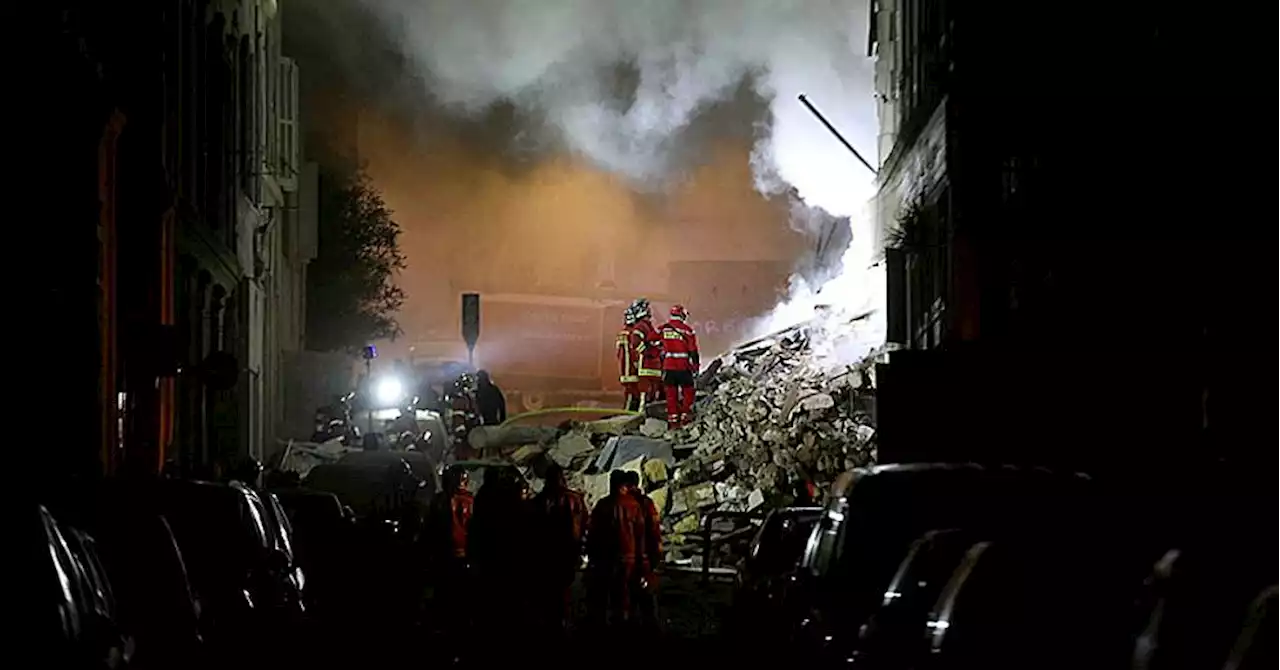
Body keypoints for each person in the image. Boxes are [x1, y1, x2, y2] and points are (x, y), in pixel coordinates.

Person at [530, 463, 590, 633]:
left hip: (547, 553)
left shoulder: (539, 501)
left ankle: (553, 624)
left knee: (549, 590)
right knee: (564, 589)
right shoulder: (575, 499)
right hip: (568, 550)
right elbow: (585, 524)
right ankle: (563, 621)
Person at [587, 469, 649, 630]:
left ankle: (604, 627)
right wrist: (643, 562)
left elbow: (593, 533)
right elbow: (640, 536)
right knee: (625, 596)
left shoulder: (602, 505)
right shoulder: (634, 506)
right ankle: (624, 626)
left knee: (605, 595)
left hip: (606, 558)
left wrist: (592, 557)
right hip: (629, 557)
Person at [426, 466, 475, 638]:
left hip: (445, 555)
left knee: (446, 593)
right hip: (461, 556)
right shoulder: (470, 501)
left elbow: (430, 530)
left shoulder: (439, 501)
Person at [625, 470, 663, 634]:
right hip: (644, 556)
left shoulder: (616, 503)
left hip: (624, 557)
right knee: (646, 595)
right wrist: (657, 555)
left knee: (626, 595)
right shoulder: (646, 503)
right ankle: (650, 630)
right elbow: (654, 531)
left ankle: (629, 627)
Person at [660, 304, 700, 428]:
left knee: (671, 396)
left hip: (669, 368)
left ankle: (673, 422)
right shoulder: (687, 330)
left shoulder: (663, 328)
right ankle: (685, 418)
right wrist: (696, 367)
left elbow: (651, 339)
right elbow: (693, 351)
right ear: (682, 315)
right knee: (688, 393)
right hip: (683, 368)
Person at [631, 298, 665, 406]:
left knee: (644, 397)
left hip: (646, 368)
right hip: (655, 368)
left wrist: (646, 353)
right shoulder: (649, 327)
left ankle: (643, 418)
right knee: (652, 397)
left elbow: (635, 342)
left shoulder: (641, 326)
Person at [616, 306, 643, 411]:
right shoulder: (632, 333)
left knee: (629, 394)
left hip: (624, 370)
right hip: (632, 371)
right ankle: (627, 416)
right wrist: (638, 364)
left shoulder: (622, 333)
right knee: (632, 396)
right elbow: (634, 351)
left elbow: (619, 353)